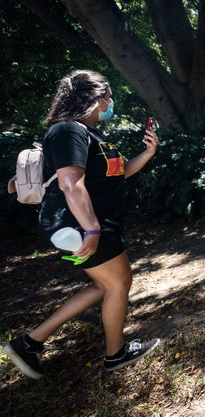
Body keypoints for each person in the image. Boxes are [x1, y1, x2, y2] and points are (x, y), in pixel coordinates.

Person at [3, 70, 160, 379]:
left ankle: (30, 343)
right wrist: (91, 228)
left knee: (104, 285)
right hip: (78, 225)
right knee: (118, 282)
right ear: (95, 97)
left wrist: (149, 152)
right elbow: (71, 183)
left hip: (87, 223)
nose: (111, 102)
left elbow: (120, 172)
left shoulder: (89, 134)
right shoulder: (67, 131)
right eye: (109, 96)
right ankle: (116, 354)